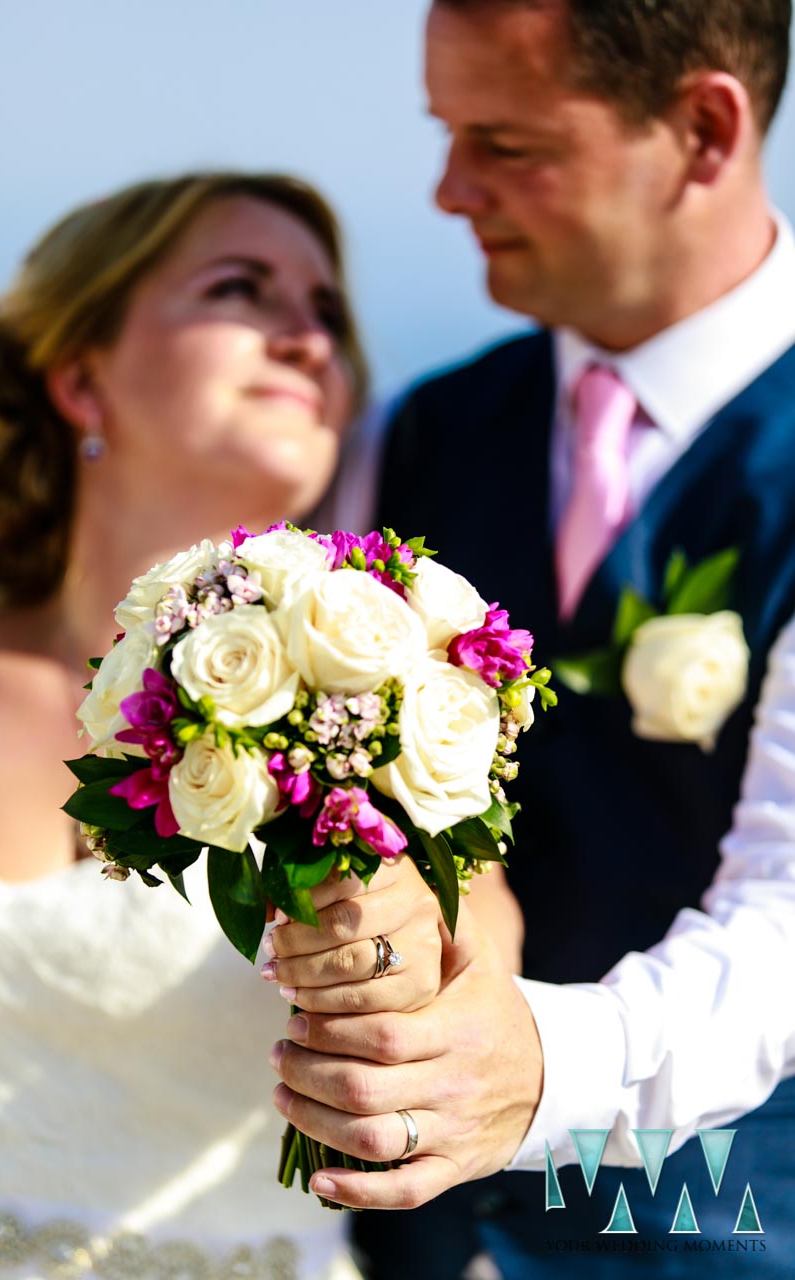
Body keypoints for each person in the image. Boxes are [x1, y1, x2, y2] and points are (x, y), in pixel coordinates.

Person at [268, 1, 795, 1275]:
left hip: (721, 1229)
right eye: (447, 136)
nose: (451, 191)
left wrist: (538, 1068)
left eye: (505, 144)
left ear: (702, 129)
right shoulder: (416, 432)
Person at [0, 170, 449, 1280]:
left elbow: (467, 1001)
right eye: (241, 288)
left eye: (328, 315)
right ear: (81, 377)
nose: (307, 340)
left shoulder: (394, 733)